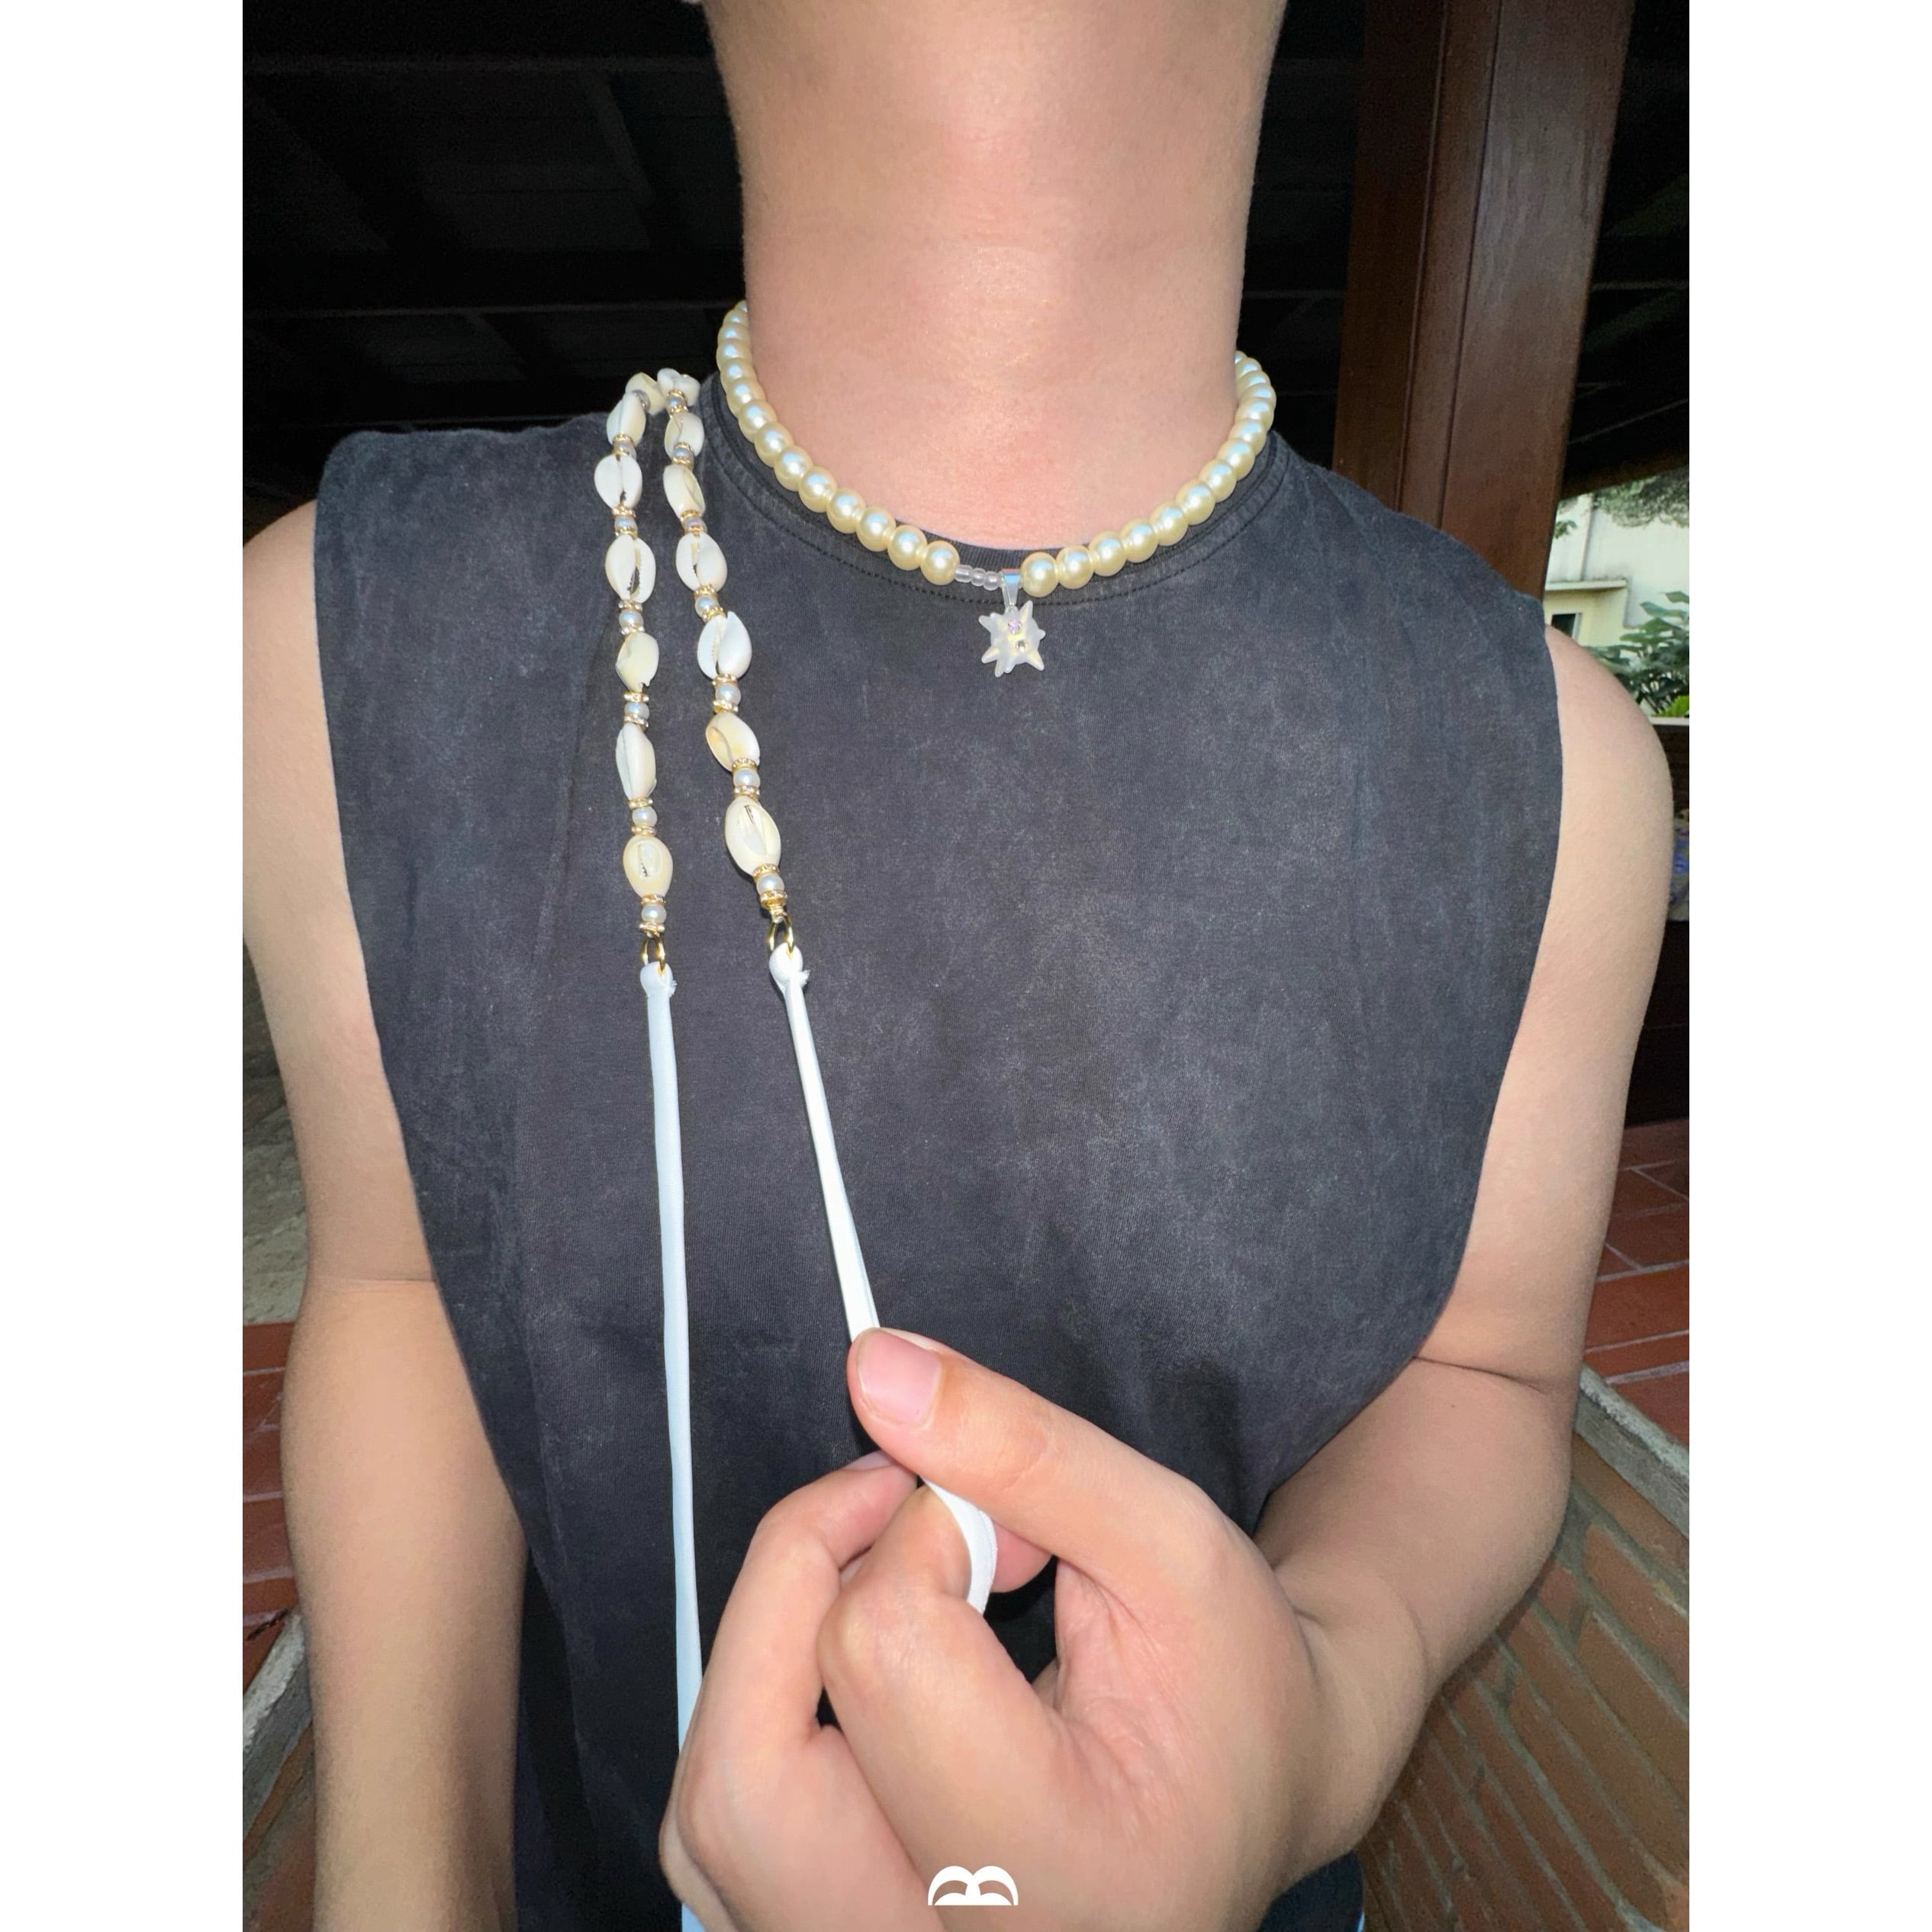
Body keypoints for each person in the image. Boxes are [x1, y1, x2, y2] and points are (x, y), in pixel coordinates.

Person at [242, 2, 1672, 1926]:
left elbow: (1481, 1371)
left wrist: (1323, 1707)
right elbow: (415, 1277)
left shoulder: (1546, 764)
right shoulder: (341, 644)